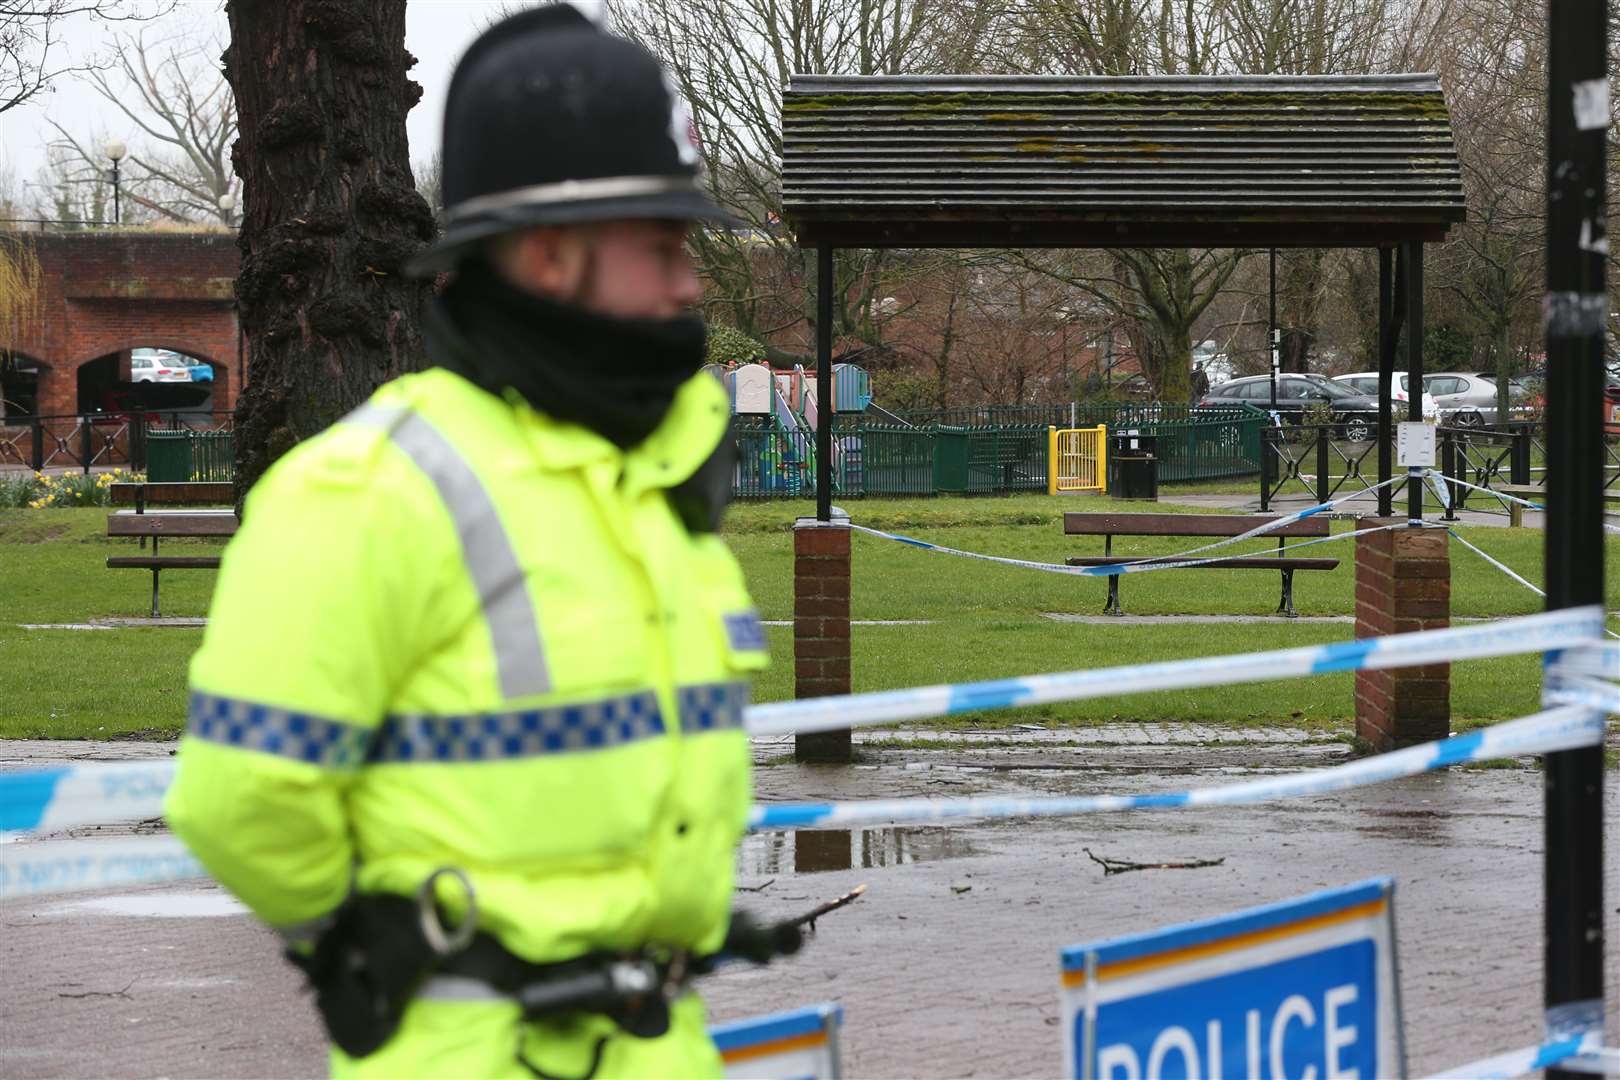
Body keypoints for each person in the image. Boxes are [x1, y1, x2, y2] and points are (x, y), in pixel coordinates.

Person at [164, 6, 771, 1077]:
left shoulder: (652, 484)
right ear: (547, 254)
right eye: (663, 245)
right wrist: (360, 941)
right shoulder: (370, 492)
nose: (690, 284)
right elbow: (242, 799)